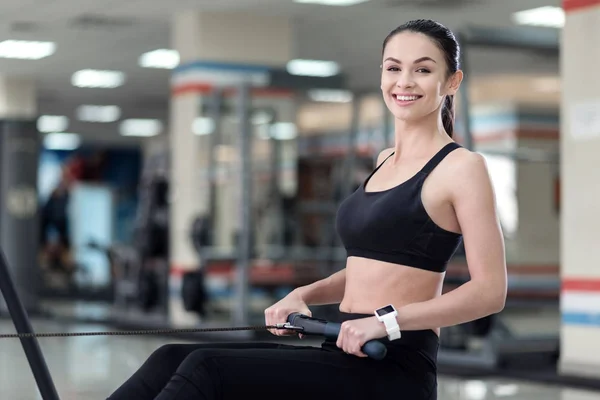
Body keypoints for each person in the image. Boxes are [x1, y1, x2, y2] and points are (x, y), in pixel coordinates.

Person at [107, 19, 507, 400]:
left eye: (422, 69)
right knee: (169, 357)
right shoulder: (385, 160)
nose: (403, 81)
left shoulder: (462, 167)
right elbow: (372, 268)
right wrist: (303, 294)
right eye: (393, 68)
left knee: (206, 367)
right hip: (343, 350)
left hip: (394, 366)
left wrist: (386, 321)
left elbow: (490, 292)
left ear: (451, 81)